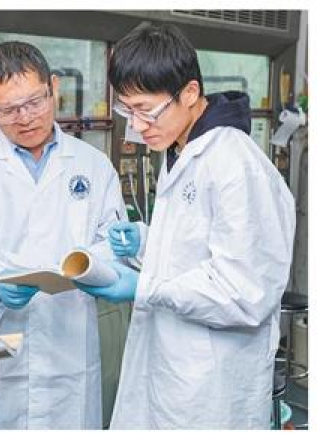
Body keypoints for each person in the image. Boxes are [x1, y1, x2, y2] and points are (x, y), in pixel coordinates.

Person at [75, 24, 296, 429]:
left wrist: (145, 286)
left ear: (190, 93)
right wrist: (144, 241)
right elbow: (198, 245)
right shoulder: (181, 147)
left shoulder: (235, 164)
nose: (137, 126)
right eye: (127, 110)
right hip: (173, 368)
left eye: (145, 110)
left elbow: (245, 291)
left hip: (211, 386)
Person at [0, 41, 127, 429]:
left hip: (68, 352)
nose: (25, 118)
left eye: (34, 102)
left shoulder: (93, 165)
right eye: (8, 110)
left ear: (53, 87)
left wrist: (86, 266)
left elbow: (114, 243)